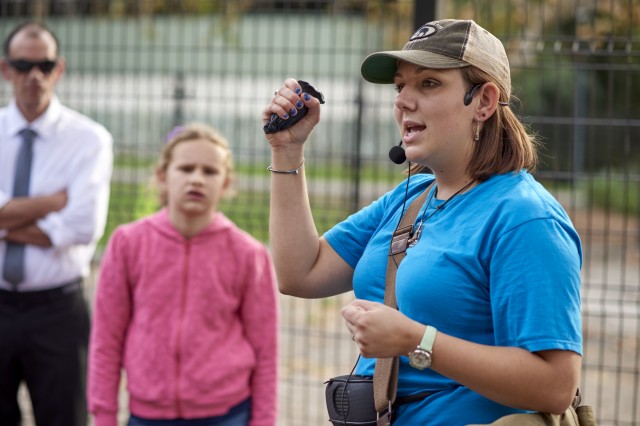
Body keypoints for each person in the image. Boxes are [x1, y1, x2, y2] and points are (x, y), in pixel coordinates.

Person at [262, 19, 582, 425]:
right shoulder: (412, 197)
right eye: (400, 86)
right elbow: (300, 273)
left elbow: (555, 385)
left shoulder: (525, 217)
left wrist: (418, 340)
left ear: (483, 101)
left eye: (428, 84)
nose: (403, 101)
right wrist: (287, 151)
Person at [88, 123, 279, 426]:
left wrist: (263, 421)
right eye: (186, 168)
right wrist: (104, 416)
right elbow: (106, 341)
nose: (197, 179)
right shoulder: (128, 244)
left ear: (226, 182)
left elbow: (266, 352)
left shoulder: (248, 254)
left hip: (227, 413)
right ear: (163, 176)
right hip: (147, 414)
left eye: (210, 171)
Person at [0, 21, 113, 426]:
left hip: (56, 309)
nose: (34, 76)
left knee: (64, 417)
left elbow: (82, 227)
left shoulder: (90, 140)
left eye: (44, 66)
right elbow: (65, 222)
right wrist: (51, 204)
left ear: (59, 69)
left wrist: (6, 220)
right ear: (5, 69)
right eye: (23, 64)